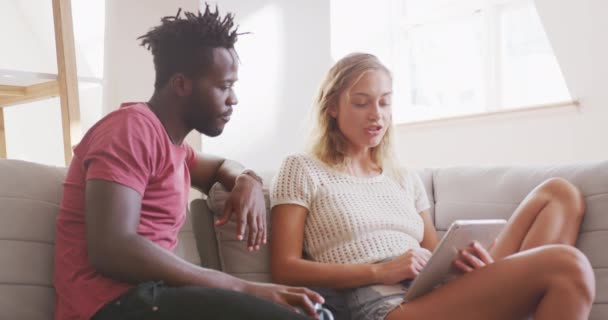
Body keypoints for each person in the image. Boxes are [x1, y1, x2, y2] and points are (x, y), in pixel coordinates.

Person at [269, 52, 596, 320]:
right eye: (361, 103)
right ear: (332, 108)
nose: (376, 115)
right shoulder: (302, 168)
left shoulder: (402, 177)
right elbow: (285, 268)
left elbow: (436, 254)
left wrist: (469, 263)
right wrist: (378, 272)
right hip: (384, 305)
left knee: (559, 195)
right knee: (568, 265)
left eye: (384, 103)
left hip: (434, 293)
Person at [53, 6, 324, 320]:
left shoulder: (174, 148)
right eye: (223, 86)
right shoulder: (129, 129)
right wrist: (242, 287)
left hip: (151, 300)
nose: (233, 98)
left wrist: (246, 179)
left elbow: (221, 166)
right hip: (114, 306)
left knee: (313, 313)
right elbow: (112, 248)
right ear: (181, 85)